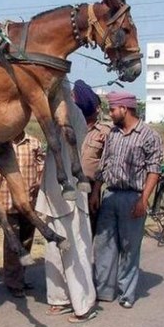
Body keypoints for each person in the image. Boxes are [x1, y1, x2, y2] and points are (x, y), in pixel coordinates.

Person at [90, 90, 163, 309]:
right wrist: (96, 192)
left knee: (129, 248)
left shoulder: (149, 136)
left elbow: (153, 171)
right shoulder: (112, 134)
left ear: (125, 108)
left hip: (133, 197)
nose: (110, 113)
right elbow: (104, 165)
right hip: (110, 195)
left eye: (112, 109)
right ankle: (104, 290)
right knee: (103, 246)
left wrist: (143, 200)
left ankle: (126, 293)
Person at [35, 79, 97, 323]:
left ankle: (84, 305)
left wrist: (55, 74)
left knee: (76, 251)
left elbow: (60, 91)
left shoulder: (74, 113)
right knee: (53, 252)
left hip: (70, 198)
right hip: (53, 196)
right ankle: (59, 299)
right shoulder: (58, 117)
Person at [0, 131, 45, 298]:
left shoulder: (34, 143)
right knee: (13, 246)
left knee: (26, 242)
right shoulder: (1, 144)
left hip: (28, 203)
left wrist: (39, 181)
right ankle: (13, 283)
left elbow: (41, 166)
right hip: (7, 202)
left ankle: (20, 277)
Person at [72, 79, 111, 234]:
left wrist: (96, 192)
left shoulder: (105, 132)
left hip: (90, 188)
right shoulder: (72, 129)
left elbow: (104, 165)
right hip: (71, 186)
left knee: (88, 232)